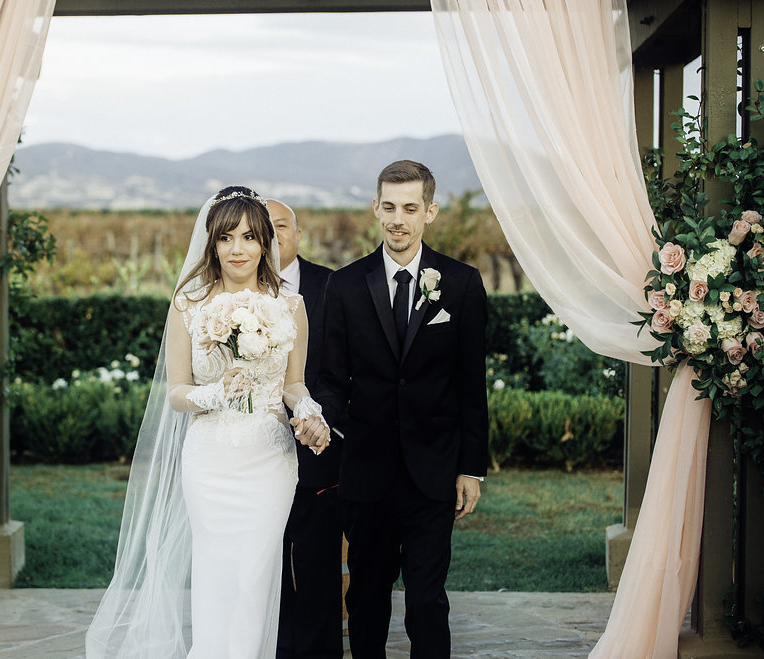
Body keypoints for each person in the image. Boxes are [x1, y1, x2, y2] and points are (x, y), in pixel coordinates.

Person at [85, 186, 330, 659]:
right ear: (211, 243)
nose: (237, 249)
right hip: (210, 460)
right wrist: (217, 392)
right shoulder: (188, 304)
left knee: (256, 575)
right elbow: (176, 392)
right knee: (216, 574)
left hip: (269, 461)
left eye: (249, 238)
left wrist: (309, 413)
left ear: (266, 244)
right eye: (226, 238)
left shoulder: (290, 306)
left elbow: (293, 384)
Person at [311, 160, 488, 658]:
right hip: (365, 472)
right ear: (375, 209)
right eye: (388, 206)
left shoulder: (461, 283)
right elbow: (330, 378)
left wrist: (470, 468)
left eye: (410, 208)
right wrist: (319, 416)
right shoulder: (343, 286)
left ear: (430, 211)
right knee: (366, 594)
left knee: (427, 600)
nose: (398, 218)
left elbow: (471, 385)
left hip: (434, 471)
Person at [267, 199, 342, 659]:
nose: (273, 239)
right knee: (262, 564)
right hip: (251, 453)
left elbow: (342, 371)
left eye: (281, 227)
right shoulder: (230, 293)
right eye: (263, 230)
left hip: (317, 450)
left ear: (299, 233)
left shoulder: (333, 287)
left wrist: (319, 419)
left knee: (316, 565)